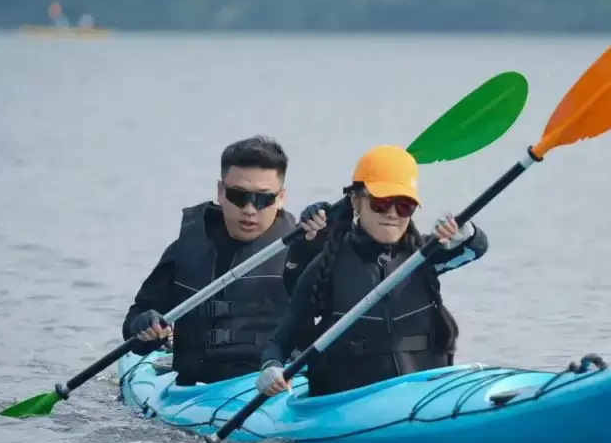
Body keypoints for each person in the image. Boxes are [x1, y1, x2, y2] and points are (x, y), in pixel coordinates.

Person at [255, 144, 488, 398]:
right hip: (349, 402)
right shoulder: (326, 267)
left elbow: (475, 248)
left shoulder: (423, 257)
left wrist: (466, 232)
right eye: (381, 203)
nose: (392, 214)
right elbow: (279, 342)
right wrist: (271, 368)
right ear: (356, 201)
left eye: (404, 206)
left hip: (425, 394)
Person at [122, 136, 297, 385]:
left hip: (277, 387)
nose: (249, 209)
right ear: (221, 192)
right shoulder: (187, 249)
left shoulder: (303, 253)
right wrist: (144, 326)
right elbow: (134, 329)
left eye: (263, 198)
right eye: (238, 196)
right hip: (196, 390)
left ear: (281, 198)